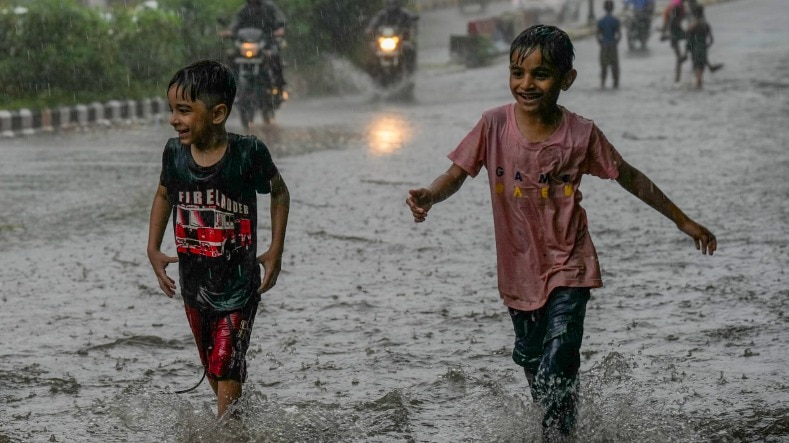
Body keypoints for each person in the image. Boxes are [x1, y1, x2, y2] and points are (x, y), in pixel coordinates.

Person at [405, 25, 716, 441]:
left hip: (570, 263)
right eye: (517, 73)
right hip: (517, 270)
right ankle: (561, 433)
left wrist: (682, 220)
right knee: (534, 364)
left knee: (559, 356)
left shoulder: (581, 134)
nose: (526, 84)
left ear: (566, 80)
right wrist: (430, 194)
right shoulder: (493, 124)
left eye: (541, 74)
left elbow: (629, 177)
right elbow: (456, 173)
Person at [147, 59, 290, 420]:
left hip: (239, 286)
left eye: (183, 110)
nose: (173, 119)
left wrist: (275, 249)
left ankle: (227, 432)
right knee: (215, 368)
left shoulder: (247, 153)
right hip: (195, 284)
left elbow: (278, 193)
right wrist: (153, 248)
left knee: (225, 364)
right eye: (171, 110)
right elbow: (164, 194)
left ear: (218, 113)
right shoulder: (175, 153)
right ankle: (238, 421)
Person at [223, 0, 287, 90]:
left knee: (273, 56)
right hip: (247, 44)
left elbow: (280, 19)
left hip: (267, 41)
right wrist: (230, 31)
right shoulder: (244, 9)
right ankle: (230, 85)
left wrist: (280, 28)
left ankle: (279, 84)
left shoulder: (270, 7)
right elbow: (236, 22)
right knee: (231, 56)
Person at [365, 0, 419, 75]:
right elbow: (373, 23)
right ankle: (370, 73)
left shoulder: (404, 14)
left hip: (400, 41)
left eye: (393, 3)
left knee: (409, 48)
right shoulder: (382, 14)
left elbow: (412, 23)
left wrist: (409, 29)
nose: (392, 5)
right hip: (384, 40)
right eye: (390, 3)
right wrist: (370, 29)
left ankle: (409, 71)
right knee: (372, 49)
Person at [685, 3, 723, 88]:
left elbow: (687, 36)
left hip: (696, 50)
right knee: (701, 72)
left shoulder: (694, 25)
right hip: (703, 49)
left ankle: (698, 90)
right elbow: (711, 40)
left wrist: (687, 51)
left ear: (695, 14)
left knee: (697, 72)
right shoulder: (706, 25)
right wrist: (705, 46)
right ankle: (700, 88)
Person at [661, 0, 688, 82]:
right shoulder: (677, 6)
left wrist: (664, 31)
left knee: (678, 56)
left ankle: (677, 78)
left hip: (674, 30)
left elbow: (670, 19)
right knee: (679, 56)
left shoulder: (677, 4)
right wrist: (667, 32)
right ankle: (677, 78)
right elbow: (672, 20)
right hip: (674, 31)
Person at [596, 0, 621, 89]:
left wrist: (602, 44)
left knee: (604, 66)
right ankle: (615, 83)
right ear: (613, 8)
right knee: (615, 66)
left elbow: (598, 35)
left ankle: (603, 83)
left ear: (604, 8)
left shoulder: (601, 21)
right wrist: (615, 42)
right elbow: (619, 35)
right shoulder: (616, 21)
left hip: (604, 46)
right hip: (613, 46)